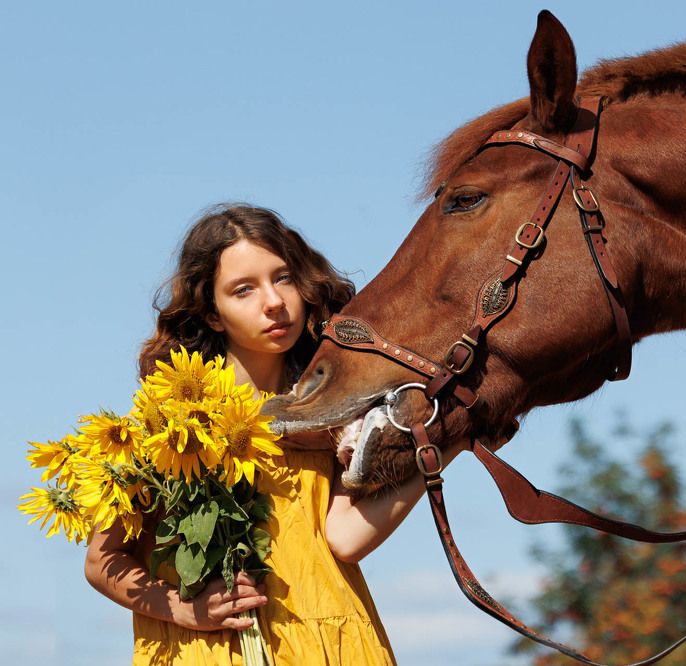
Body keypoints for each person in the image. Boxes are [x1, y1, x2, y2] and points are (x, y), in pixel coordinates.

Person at [84, 204, 460, 665]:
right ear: (213, 314)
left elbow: (345, 538)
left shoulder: (334, 409)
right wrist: (184, 609)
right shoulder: (170, 423)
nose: (274, 302)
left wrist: (445, 446)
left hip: (335, 646)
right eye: (243, 289)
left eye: (283, 279)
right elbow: (102, 562)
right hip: (209, 651)